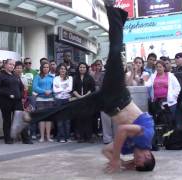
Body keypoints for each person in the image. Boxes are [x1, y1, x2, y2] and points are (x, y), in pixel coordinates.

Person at [12, 5, 155, 172]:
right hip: (119, 97)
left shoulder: (130, 148)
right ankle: (114, 11)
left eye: (135, 162)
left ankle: (27, 116)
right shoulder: (146, 138)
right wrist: (116, 160)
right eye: (138, 160)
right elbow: (123, 129)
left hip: (106, 104)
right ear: (148, 156)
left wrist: (122, 163)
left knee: (69, 109)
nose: (134, 159)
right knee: (115, 52)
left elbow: (106, 149)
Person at [72, 62, 96, 143]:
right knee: (79, 119)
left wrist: (85, 96)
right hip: (78, 100)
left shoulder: (90, 78)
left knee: (88, 118)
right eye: (80, 67)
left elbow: (92, 89)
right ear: (78, 68)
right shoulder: (75, 78)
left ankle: (88, 137)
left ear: (86, 69)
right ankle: (80, 136)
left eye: (84, 67)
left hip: (88, 100)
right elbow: (73, 89)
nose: (82, 69)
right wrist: (79, 97)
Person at [32, 62, 54, 142]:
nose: (46, 68)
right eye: (44, 67)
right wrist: (44, 91)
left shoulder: (52, 77)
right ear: (41, 68)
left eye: (47, 67)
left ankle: (48, 136)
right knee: (41, 118)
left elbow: (54, 87)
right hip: (40, 99)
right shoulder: (37, 76)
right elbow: (35, 87)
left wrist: (51, 91)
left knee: (48, 118)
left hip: (50, 99)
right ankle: (41, 137)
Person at [53, 63, 73, 143]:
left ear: (66, 70)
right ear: (59, 70)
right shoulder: (56, 78)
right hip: (58, 100)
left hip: (67, 100)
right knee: (60, 120)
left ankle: (67, 137)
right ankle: (61, 137)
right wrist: (64, 87)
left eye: (64, 69)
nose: (62, 70)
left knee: (67, 120)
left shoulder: (70, 78)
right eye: (61, 69)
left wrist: (60, 87)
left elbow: (70, 88)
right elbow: (55, 90)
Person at [23, 57, 38, 139]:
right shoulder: (22, 71)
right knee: (25, 114)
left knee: (32, 114)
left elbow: (37, 83)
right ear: (24, 64)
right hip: (24, 96)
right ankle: (26, 133)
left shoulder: (35, 72)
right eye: (26, 63)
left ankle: (33, 133)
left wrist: (36, 93)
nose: (28, 64)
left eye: (29, 63)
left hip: (32, 96)